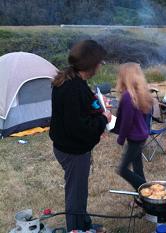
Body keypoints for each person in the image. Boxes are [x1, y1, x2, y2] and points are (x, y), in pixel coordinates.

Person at [49, 40, 111, 232]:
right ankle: (76, 229)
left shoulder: (76, 81)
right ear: (90, 64)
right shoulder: (71, 88)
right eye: (99, 62)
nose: (101, 66)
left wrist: (100, 106)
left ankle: (84, 225)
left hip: (72, 146)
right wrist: (103, 119)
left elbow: (87, 105)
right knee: (75, 195)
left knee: (79, 191)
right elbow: (80, 128)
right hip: (72, 150)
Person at [113, 62, 153, 191]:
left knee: (123, 169)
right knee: (137, 167)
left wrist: (120, 139)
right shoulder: (140, 93)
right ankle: (143, 199)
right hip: (141, 135)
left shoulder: (127, 97)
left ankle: (148, 191)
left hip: (135, 137)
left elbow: (126, 122)